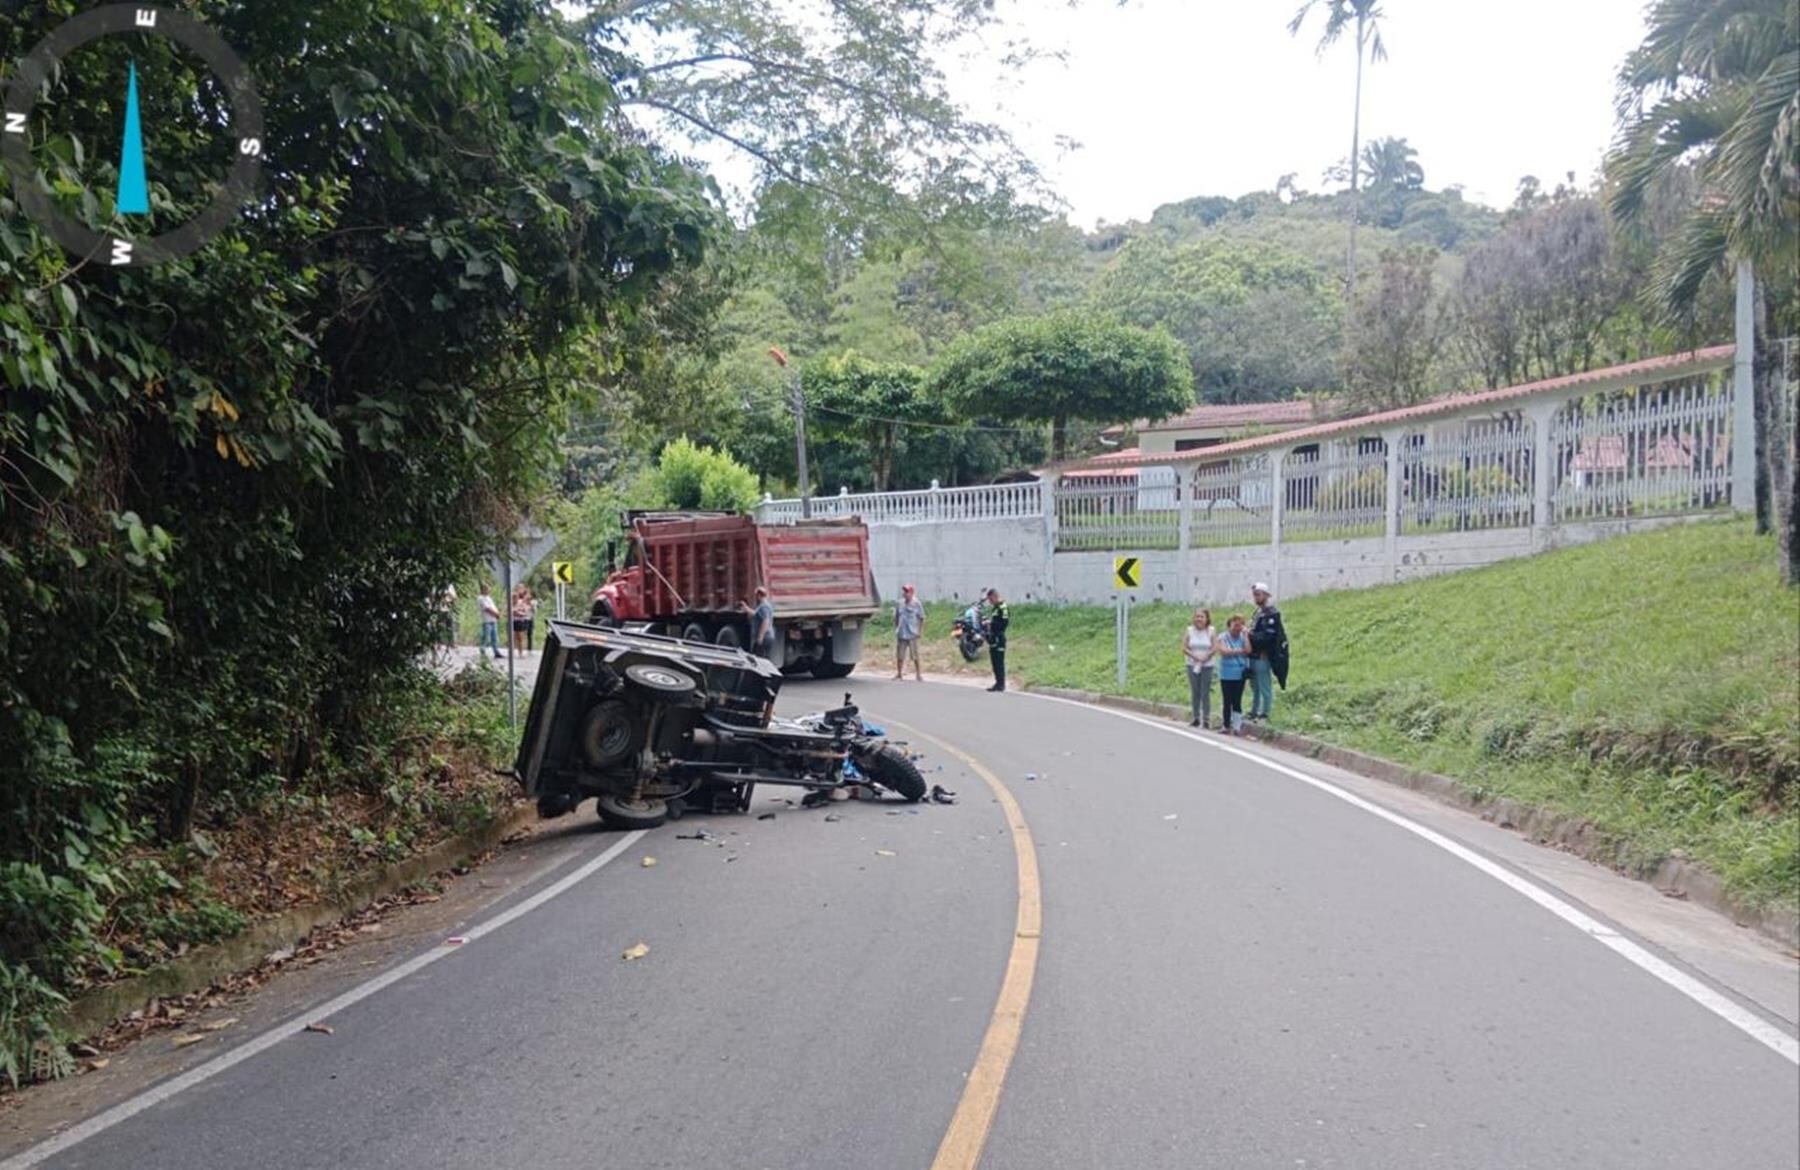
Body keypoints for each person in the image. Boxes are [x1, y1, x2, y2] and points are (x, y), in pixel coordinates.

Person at [1248, 582, 1287, 722]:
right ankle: (1254, 711)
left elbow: (1268, 637)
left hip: (1263, 655)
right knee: (1254, 686)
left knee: (1264, 685)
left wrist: (1250, 635)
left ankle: (1265, 713)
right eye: (1254, 595)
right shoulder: (1257, 613)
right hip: (1252, 654)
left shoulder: (1271, 614)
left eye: (1258, 594)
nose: (1256, 597)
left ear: (1266, 595)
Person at [1215, 614, 1251, 735]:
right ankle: (1225, 725)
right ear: (1229, 625)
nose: (1237, 628)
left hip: (1239, 673)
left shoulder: (1243, 637)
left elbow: (1248, 650)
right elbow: (1224, 651)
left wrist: (1246, 635)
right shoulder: (1222, 637)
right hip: (1226, 674)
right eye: (1235, 625)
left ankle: (1237, 726)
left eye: (1240, 625)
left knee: (1237, 700)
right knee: (1227, 700)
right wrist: (1240, 651)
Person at [1180, 608, 1216, 729]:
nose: (1199, 619)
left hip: (1207, 664)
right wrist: (1194, 656)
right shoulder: (1190, 630)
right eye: (1197, 616)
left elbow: (1214, 647)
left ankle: (1206, 718)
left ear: (1207, 619)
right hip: (1192, 664)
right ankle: (1195, 717)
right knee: (1195, 691)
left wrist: (1206, 657)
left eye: (1202, 617)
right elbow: (1184, 647)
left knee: (1205, 691)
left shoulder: (1211, 631)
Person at [894, 584, 925, 681]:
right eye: (904, 591)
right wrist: (897, 628)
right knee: (900, 655)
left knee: (915, 655)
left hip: (912, 633)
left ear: (911, 593)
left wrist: (919, 631)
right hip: (902, 633)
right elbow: (896, 617)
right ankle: (899, 674)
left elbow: (921, 618)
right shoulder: (899, 603)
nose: (905, 594)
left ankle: (918, 674)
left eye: (907, 592)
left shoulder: (917, 603)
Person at [983, 587, 1010, 692]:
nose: (990, 602)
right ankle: (997, 683)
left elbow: (1004, 622)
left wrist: (991, 623)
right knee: (994, 662)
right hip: (993, 637)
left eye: (991, 599)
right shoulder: (995, 608)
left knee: (999, 662)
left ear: (995, 596)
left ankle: (1001, 684)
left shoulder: (1003, 607)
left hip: (999, 637)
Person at [747, 586, 776, 661]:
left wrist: (760, 637)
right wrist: (746, 608)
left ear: (759, 595)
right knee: (763, 658)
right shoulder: (766, 605)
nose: (755, 597)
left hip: (764, 637)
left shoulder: (763, 607)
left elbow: (765, 621)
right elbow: (756, 614)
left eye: (756, 595)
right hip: (767, 636)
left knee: (758, 658)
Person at [477, 585, 502, 659]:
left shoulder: (489, 598)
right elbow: (487, 608)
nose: (488, 591)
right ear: (483, 590)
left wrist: (497, 613)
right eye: (487, 589)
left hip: (493, 620)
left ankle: (496, 651)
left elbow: (492, 607)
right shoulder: (481, 598)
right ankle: (483, 651)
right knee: (485, 637)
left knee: (494, 637)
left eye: (489, 589)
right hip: (487, 620)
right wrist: (496, 614)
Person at [510, 584, 536, 654]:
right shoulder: (516, 600)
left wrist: (520, 612)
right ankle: (513, 650)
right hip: (516, 620)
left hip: (525, 619)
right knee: (515, 636)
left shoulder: (529, 601)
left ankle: (526, 650)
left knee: (524, 635)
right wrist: (517, 611)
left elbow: (527, 610)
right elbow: (511, 611)